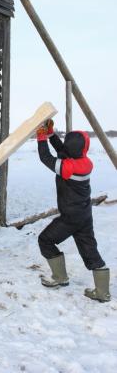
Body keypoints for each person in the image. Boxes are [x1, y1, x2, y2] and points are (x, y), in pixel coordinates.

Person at [36, 119, 110, 302]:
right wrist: (51, 133)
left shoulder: (68, 167)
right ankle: (103, 293)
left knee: (45, 240)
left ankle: (60, 278)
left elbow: (46, 158)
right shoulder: (85, 162)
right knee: (90, 250)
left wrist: (41, 138)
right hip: (84, 215)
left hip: (70, 217)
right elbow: (63, 150)